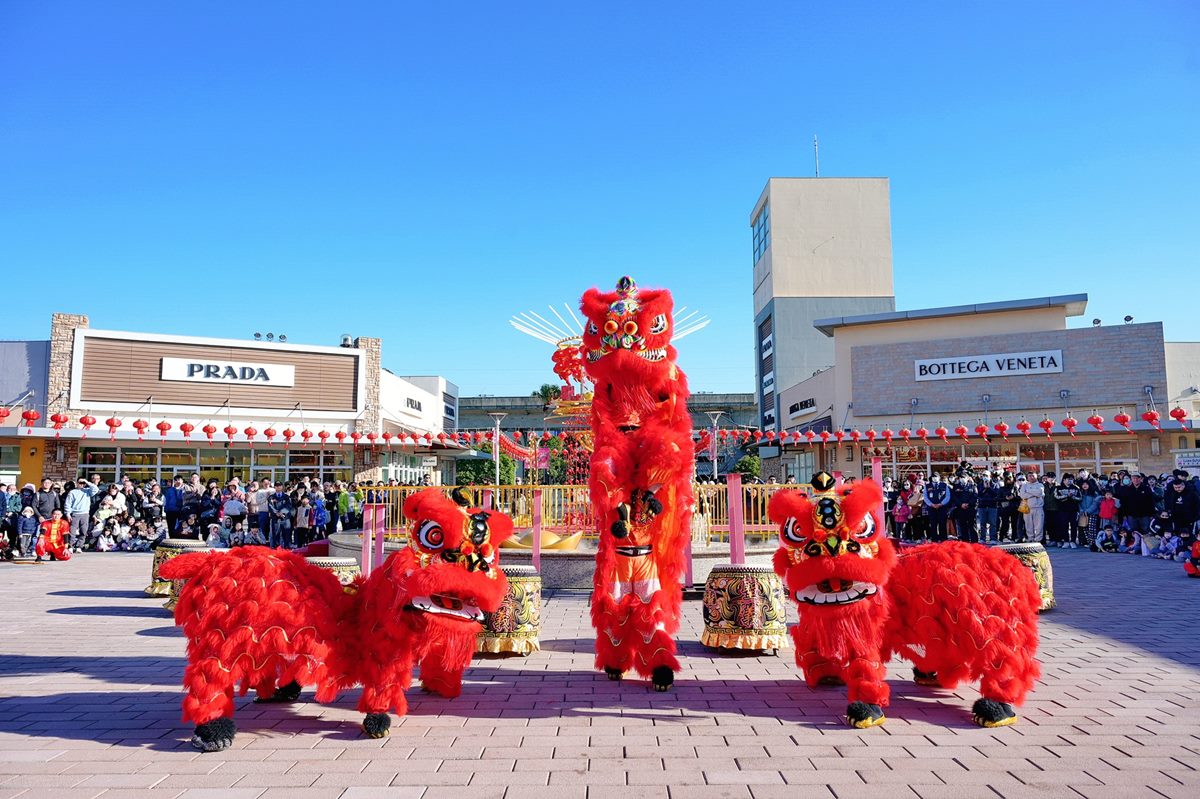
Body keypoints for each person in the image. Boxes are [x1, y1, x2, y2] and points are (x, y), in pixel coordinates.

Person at [63, 479, 93, 553]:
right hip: (75, 514)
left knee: (84, 531)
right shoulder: (72, 492)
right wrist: (68, 514)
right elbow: (68, 504)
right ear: (77, 483)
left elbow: (96, 489)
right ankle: (71, 546)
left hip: (85, 514)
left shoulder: (88, 491)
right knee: (72, 531)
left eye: (83, 483)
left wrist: (87, 482)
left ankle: (79, 546)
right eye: (80, 483)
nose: (81, 484)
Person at [1053, 475, 1082, 548]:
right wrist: (1066, 496)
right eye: (1068, 479)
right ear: (1064, 480)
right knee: (1064, 525)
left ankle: (1073, 541)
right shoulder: (1058, 488)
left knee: (1074, 526)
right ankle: (1065, 541)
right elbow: (1056, 497)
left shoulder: (1076, 488)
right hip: (1063, 510)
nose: (1070, 481)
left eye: (1071, 479)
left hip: (1074, 510)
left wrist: (1073, 497)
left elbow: (1080, 498)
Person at [1017, 471, 1046, 543]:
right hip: (1027, 508)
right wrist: (1034, 493)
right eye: (1030, 476)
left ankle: (1038, 540)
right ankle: (1030, 539)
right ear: (1027, 477)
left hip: (1038, 508)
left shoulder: (1040, 485)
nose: (1031, 477)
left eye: (1033, 476)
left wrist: (1028, 491)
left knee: (1039, 525)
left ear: (1036, 476)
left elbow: (1039, 493)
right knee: (1028, 525)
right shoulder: (1024, 486)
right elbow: (1023, 496)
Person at [923, 473, 951, 542]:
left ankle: (943, 539)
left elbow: (947, 496)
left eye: (936, 477)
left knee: (942, 524)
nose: (935, 478)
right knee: (933, 524)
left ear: (939, 477)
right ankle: (934, 539)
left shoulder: (944, 485)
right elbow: (925, 497)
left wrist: (941, 504)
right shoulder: (927, 486)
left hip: (942, 508)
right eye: (933, 477)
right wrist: (931, 504)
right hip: (932, 508)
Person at [950, 476, 978, 543]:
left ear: (967, 478)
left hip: (970, 508)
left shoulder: (972, 486)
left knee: (972, 525)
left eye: (964, 477)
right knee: (963, 525)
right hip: (960, 509)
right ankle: (965, 541)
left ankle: (974, 541)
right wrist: (961, 504)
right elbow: (955, 497)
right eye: (961, 477)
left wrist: (968, 504)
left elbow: (975, 496)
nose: (962, 478)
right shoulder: (956, 487)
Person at [976, 473, 1000, 544]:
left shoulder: (995, 484)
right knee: (982, 523)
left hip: (992, 506)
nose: (985, 477)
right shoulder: (979, 485)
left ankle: (993, 538)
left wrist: (989, 488)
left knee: (993, 523)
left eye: (986, 475)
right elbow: (978, 495)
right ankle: (982, 538)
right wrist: (984, 488)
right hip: (982, 506)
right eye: (983, 475)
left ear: (990, 476)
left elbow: (996, 494)